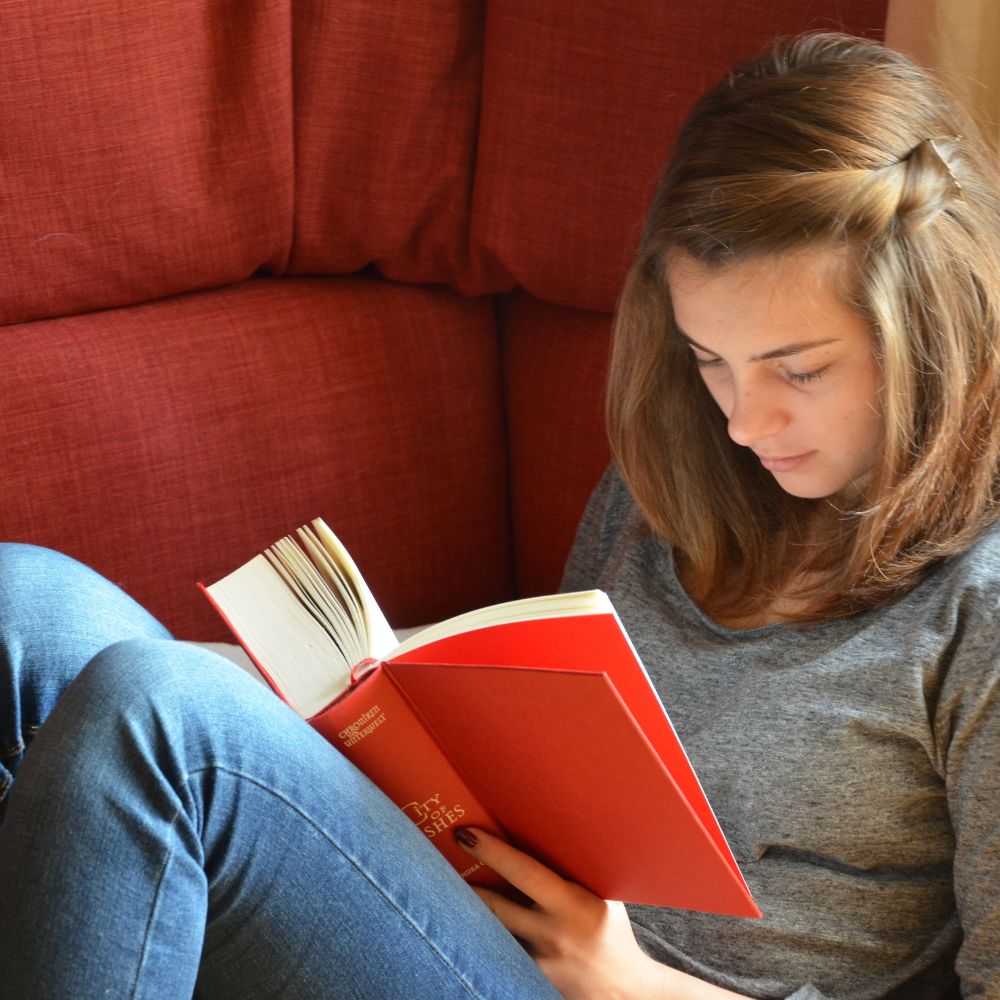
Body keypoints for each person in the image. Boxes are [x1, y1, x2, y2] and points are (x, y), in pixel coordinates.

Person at [1, 30, 998, 999]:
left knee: (161, 715)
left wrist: (628, 982)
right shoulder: (681, 473)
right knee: (23, 607)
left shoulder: (979, 610)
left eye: (799, 368)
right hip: (472, 930)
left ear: (932, 328)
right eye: (709, 362)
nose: (744, 420)